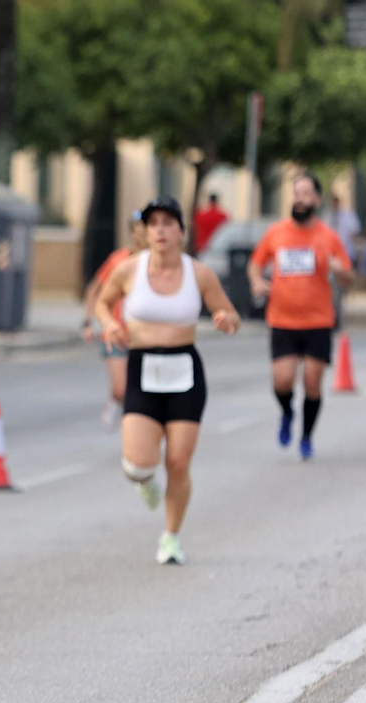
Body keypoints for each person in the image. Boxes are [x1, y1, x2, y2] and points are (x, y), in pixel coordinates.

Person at [93, 197, 240, 565]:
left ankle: (171, 537)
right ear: (144, 230)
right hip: (142, 367)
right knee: (139, 462)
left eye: (167, 223)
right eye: (152, 223)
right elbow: (101, 301)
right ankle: (144, 481)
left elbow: (229, 312)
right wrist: (109, 323)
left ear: (180, 231)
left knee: (177, 462)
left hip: (184, 371)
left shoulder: (199, 273)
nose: (159, 230)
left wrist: (225, 320)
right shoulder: (129, 270)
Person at [248, 172, 354, 459]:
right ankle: (286, 412)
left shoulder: (327, 237)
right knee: (282, 381)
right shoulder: (276, 233)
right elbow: (255, 265)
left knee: (311, 382)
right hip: (282, 320)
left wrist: (339, 270)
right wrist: (257, 282)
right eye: (296, 193)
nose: (300, 199)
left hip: (318, 320)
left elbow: (347, 276)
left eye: (306, 194)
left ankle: (306, 436)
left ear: (317, 199)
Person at [82, 211, 147, 428]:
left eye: (144, 228)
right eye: (136, 228)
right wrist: (88, 322)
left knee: (139, 390)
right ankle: (115, 399)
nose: (141, 234)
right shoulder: (118, 260)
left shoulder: (156, 263)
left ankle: (135, 427)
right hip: (115, 332)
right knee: (121, 389)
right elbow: (94, 289)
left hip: (144, 337)